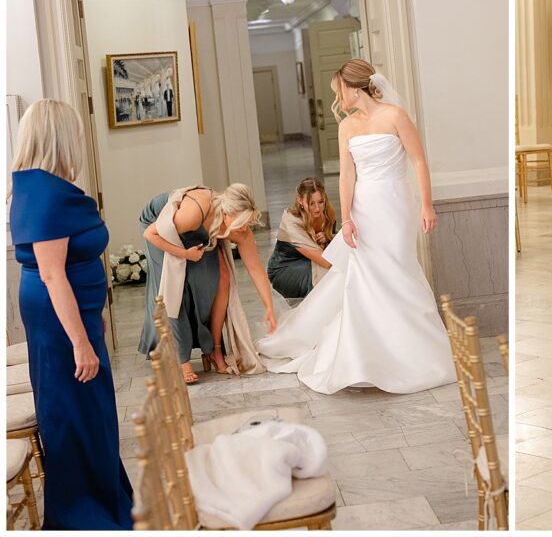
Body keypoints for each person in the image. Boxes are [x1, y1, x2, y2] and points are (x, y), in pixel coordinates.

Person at [257, 59, 455, 394]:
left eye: (338, 90)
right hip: (364, 208)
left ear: (353, 87)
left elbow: (418, 160)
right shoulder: (346, 127)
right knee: (365, 277)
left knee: (398, 270)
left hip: (395, 205)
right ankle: (368, 355)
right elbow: (347, 174)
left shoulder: (394, 116)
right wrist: (346, 218)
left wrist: (426, 204)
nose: (336, 98)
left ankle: (415, 354)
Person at [9, 99, 133, 529]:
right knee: (74, 414)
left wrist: (91, 315)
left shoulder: (48, 186)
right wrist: (79, 340)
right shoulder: (42, 191)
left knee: (92, 412)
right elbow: (51, 274)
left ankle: (104, 499)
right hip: (59, 321)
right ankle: (84, 516)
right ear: (60, 138)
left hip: (74, 313)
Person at [138, 183, 277, 383]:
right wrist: (185, 254)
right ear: (227, 214)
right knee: (174, 287)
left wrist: (269, 307)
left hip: (198, 228)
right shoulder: (195, 211)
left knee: (222, 277)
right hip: (159, 226)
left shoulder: (240, 230)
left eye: (247, 222)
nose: (244, 228)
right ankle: (181, 359)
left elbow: (256, 271)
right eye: (241, 222)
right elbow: (150, 233)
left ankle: (214, 350)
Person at [267, 177, 337, 298]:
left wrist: (329, 236)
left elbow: (335, 240)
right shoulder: (290, 222)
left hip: (311, 260)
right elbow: (325, 261)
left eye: (321, 202)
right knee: (332, 273)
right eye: (311, 203)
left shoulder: (327, 212)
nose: (317, 208)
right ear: (300, 200)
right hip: (285, 269)